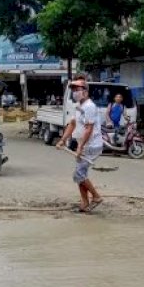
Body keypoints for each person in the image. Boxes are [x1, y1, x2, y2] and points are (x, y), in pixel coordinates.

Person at [56, 77, 104, 213]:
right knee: (80, 175)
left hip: (91, 145)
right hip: (83, 144)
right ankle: (84, 203)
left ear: (85, 91)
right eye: (73, 90)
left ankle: (96, 197)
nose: (75, 93)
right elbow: (72, 124)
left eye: (77, 90)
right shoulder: (79, 107)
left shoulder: (89, 106)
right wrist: (63, 139)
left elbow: (89, 129)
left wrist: (80, 147)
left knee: (78, 174)